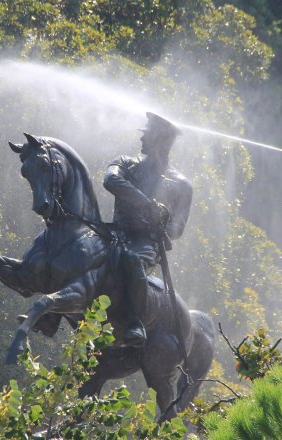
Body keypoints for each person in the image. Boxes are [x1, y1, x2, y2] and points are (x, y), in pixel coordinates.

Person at [103, 112, 193, 347]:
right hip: (115, 233)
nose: (141, 140)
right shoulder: (125, 163)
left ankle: (136, 323)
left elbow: (177, 228)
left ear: (161, 141)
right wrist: (145, 202)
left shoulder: (181, 184)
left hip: (146, 243)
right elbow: (110, 181)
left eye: (147, 135)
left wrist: (162, 219)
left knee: (133, 259)